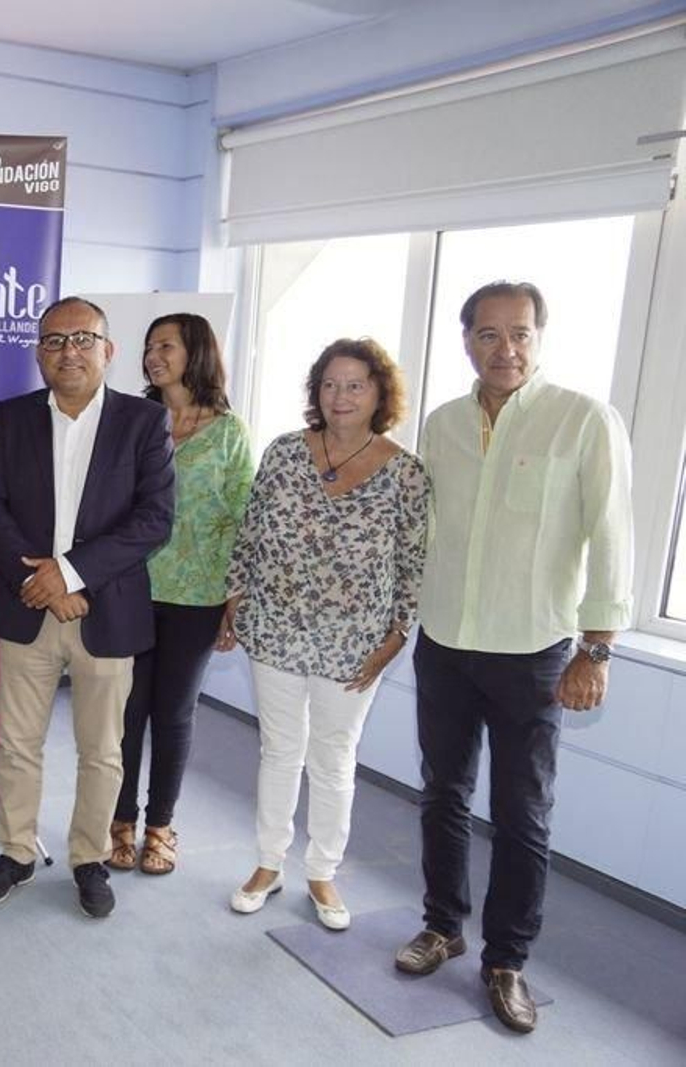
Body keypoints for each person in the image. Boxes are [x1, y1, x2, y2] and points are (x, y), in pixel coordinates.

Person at [394, 281, 633, 1034]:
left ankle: (506, 960)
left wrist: (596, 648)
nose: (507, 349)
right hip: (445, 645)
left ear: (539, 338)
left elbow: (614, 535)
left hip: (533, 651)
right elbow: (422, 531)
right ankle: (443, 923)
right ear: (466, 340)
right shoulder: (441, 424)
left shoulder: (583, 420)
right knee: (441, 792)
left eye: (521, 333)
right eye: (490, 334)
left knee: (522, 811)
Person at [0, 296, 176, 919]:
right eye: (55, 341)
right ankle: (16, 851)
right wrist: (39, 579)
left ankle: (89, 857)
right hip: (27, 604)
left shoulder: (144, 423)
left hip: (105, 609)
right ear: (39, 354)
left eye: (83, 339)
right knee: (18, 743)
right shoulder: (12, 418)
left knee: (102, 748)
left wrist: (70, 571)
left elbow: (154, 520)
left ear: (108, 351)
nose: (69, 352)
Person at [218, 337, 427, 931]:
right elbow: (251, 530)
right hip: (276, 626)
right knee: (280, 750)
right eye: (330, 384)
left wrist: (396, 634)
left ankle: (322, 871)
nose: (341, 396)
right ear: (316, 391)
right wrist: (235, 598)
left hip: (356, 641)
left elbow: (414, 563)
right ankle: (267, 863)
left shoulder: (406, 472)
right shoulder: (285, 452)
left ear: (380, 393)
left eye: (356, 384)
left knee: (333, 759)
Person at [109, 312, 252, 877]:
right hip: (129, 587)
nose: (152, 356)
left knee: (173, 713)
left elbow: (245, 517)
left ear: (196, 352)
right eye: (148, 347)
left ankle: (160, 826)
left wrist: (235, 600)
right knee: (127, 709)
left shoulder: (230, 433)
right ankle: (119, 820)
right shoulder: (132, 421)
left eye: (164, 345)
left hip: (198, 595)